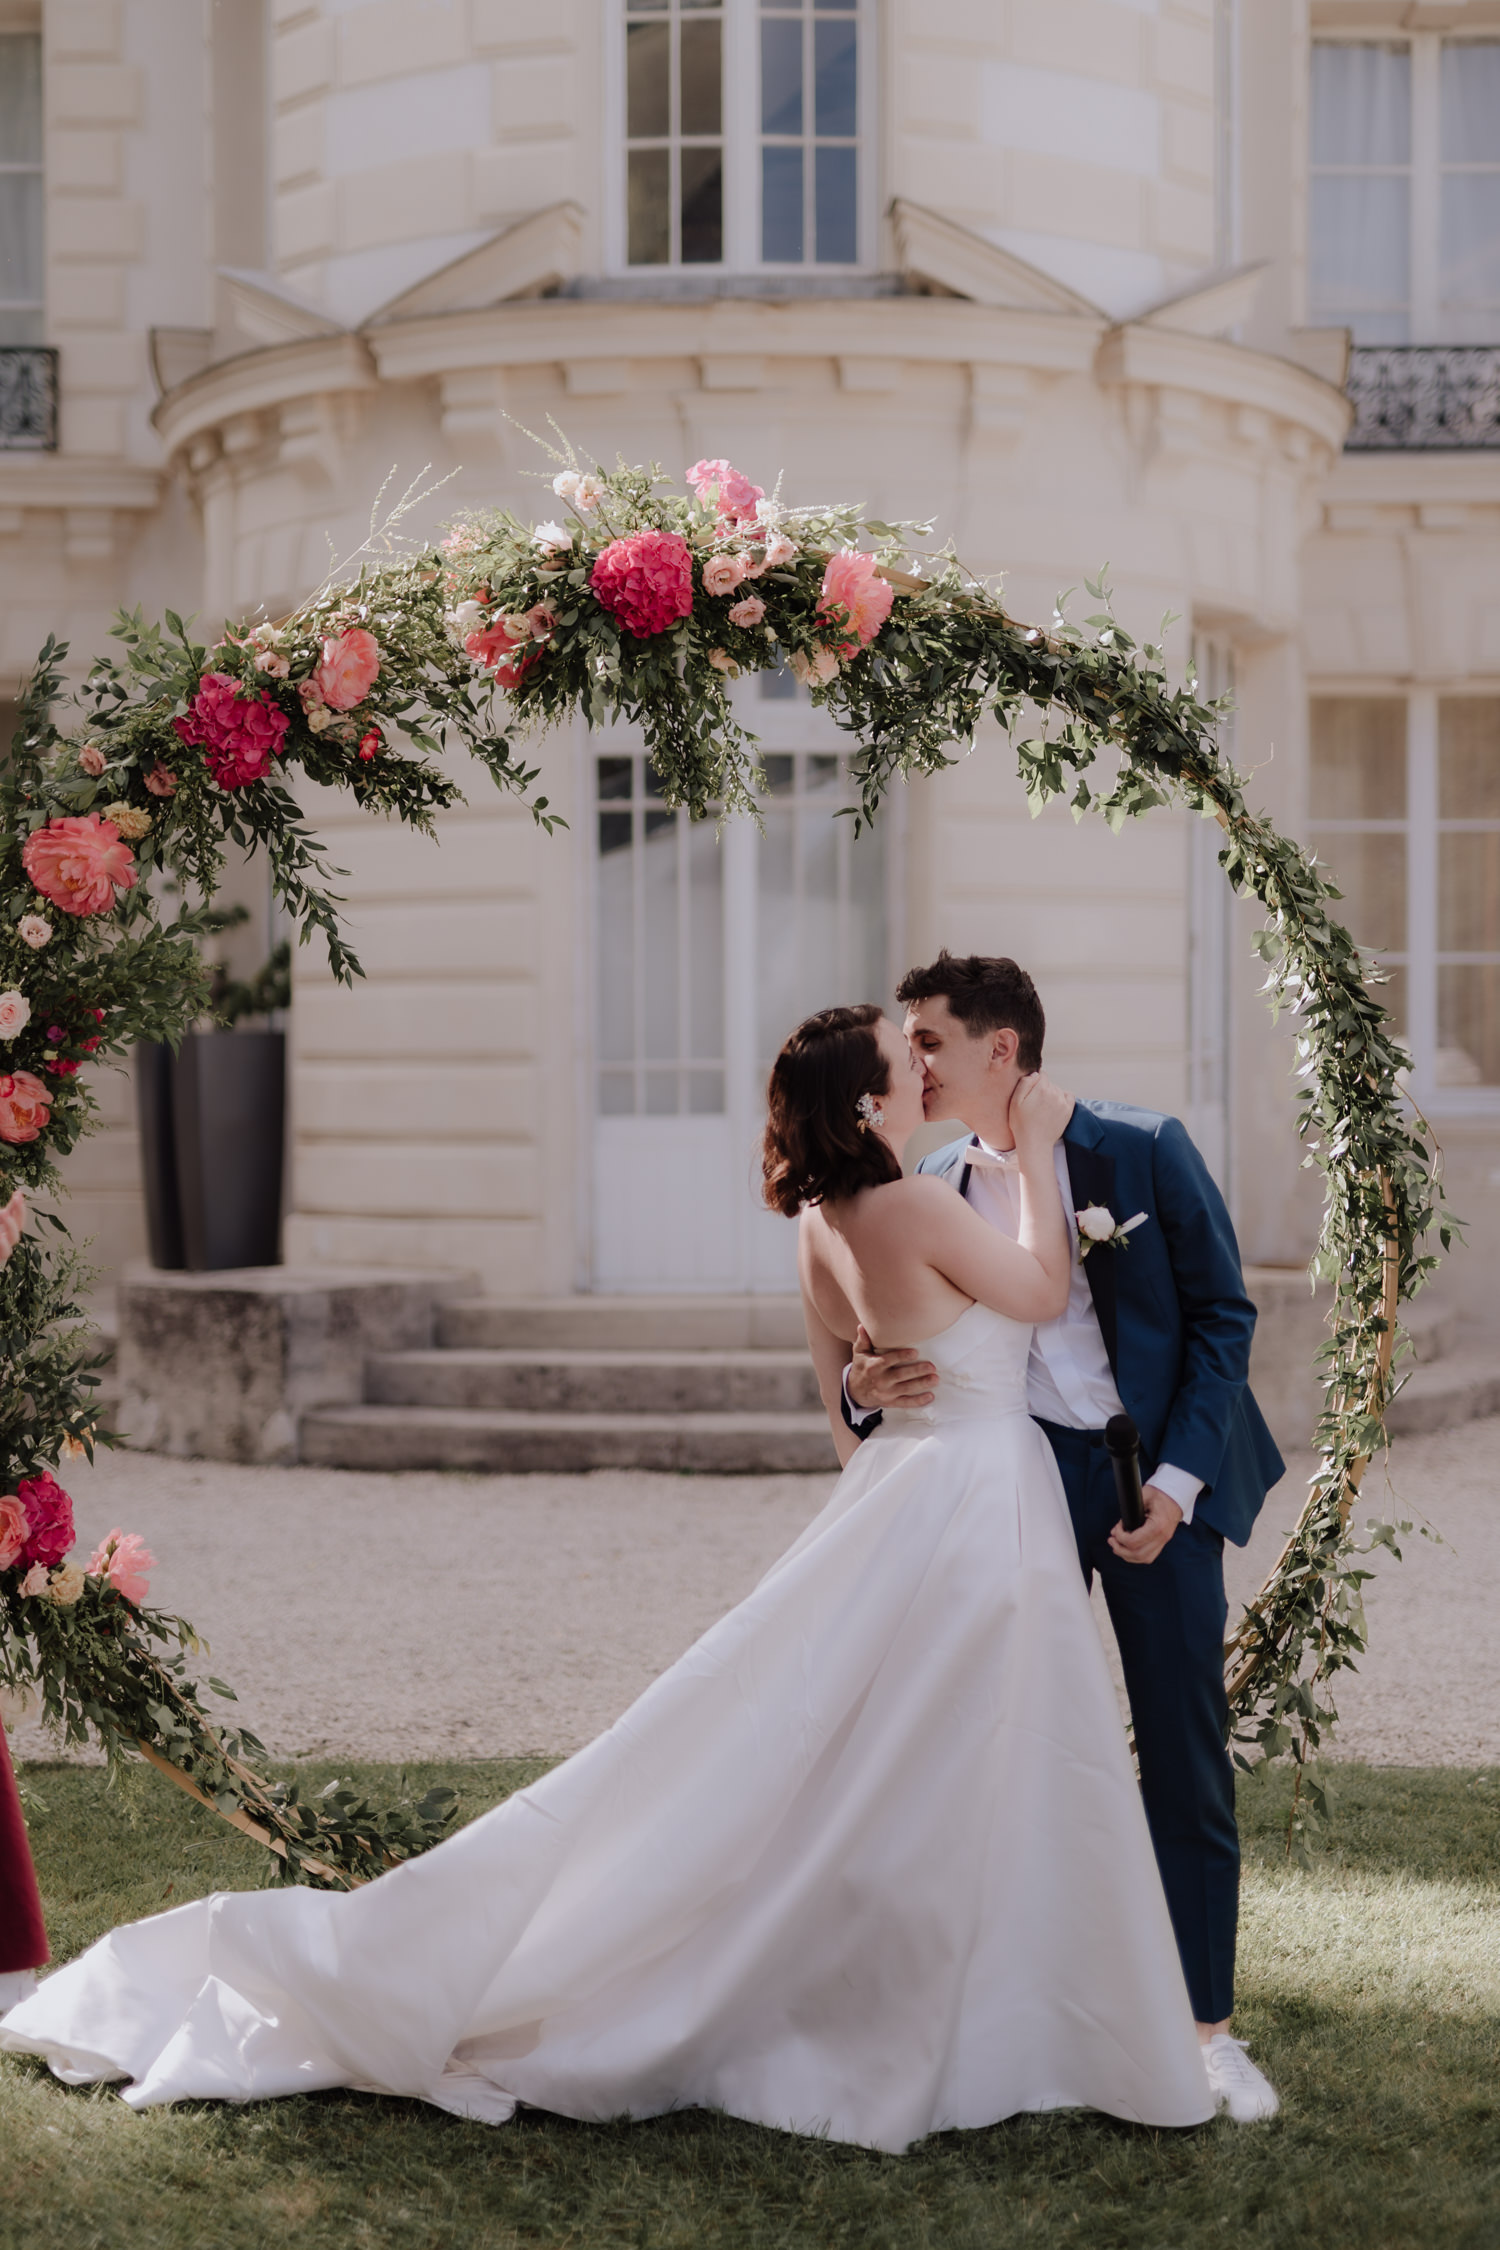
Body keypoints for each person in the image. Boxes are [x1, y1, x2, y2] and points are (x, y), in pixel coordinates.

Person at [0, 1008, 1213, 2150]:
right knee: (948, 1751)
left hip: (910, 1486)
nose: (926, 1068)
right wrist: (1045, 1162)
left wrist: (867, 1382)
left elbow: (846, 1424)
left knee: (863, 1747)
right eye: (910, 1056)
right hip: (974, 1499)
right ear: (872, 1100)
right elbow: (1046, 1292)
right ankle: (962, 2012)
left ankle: (961, 1992)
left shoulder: (818, 1227)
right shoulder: (913, 1207)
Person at [841, 954, 1285, 2124]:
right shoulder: (930, 1172)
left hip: (1153, 1484)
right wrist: (859, 1377)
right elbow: (891, 1322)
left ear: (1002, 1050)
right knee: (1001, 1745)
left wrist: (1179, 1488)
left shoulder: (1143, 1147)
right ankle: (1009, 2008)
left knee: (1180, 1755)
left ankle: (1205, 2033)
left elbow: (1226, 1320)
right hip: (1013, 1480)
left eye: (928, 1041)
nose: (912, 1064)